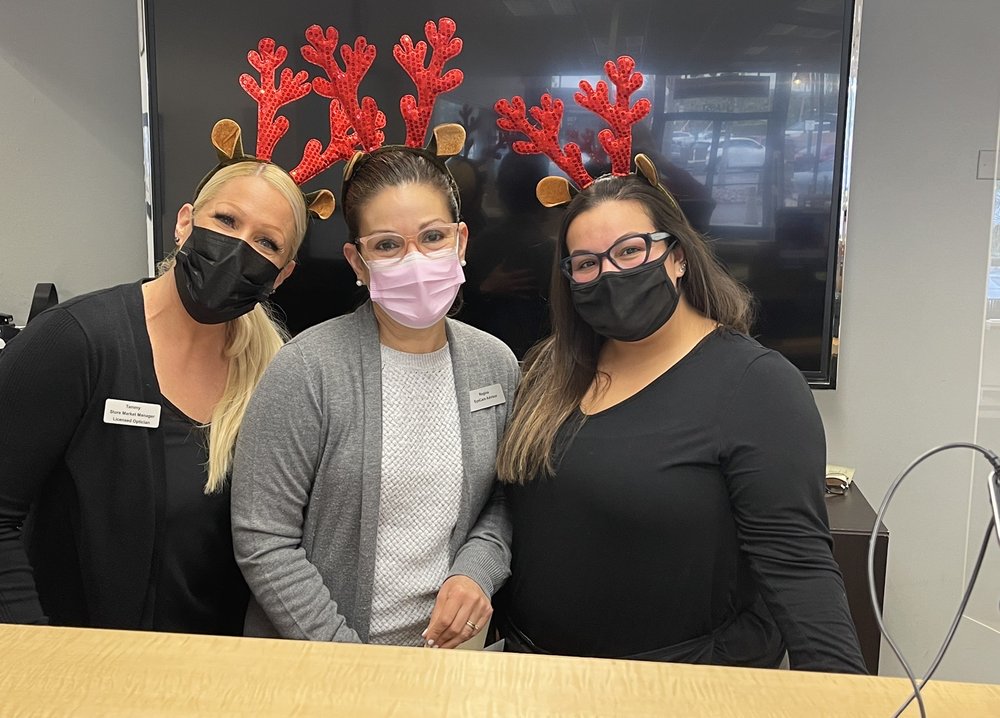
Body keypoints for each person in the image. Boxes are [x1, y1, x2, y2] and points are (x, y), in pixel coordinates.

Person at [494, 173, 868, 673]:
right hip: (533, 673)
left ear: (679, 257)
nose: (609, 274)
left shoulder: (756, 384)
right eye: (586, 264)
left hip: (675, 682)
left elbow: (798, 565)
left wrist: (844, 693)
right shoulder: (550, 370)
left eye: (630, 251)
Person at [0, 159, 310, 634]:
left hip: (219, 664)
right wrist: (37, 648)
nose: (237, 249)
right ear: (185, 222)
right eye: (226, 220)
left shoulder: (278, 375)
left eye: (266, 242)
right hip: (82, 664)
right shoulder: (77, 340)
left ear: (282, 275)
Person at [230, 146, 519, 649]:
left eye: (433, 237)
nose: (416, 260)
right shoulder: (307, 369)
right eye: (387, 245)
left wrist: (476, 570)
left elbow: (501, 497)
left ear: (461, 241)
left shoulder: (494, 364)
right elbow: (264, 539)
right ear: (357, 263)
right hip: (322, 663)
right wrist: (352, 663)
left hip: (449, 662)